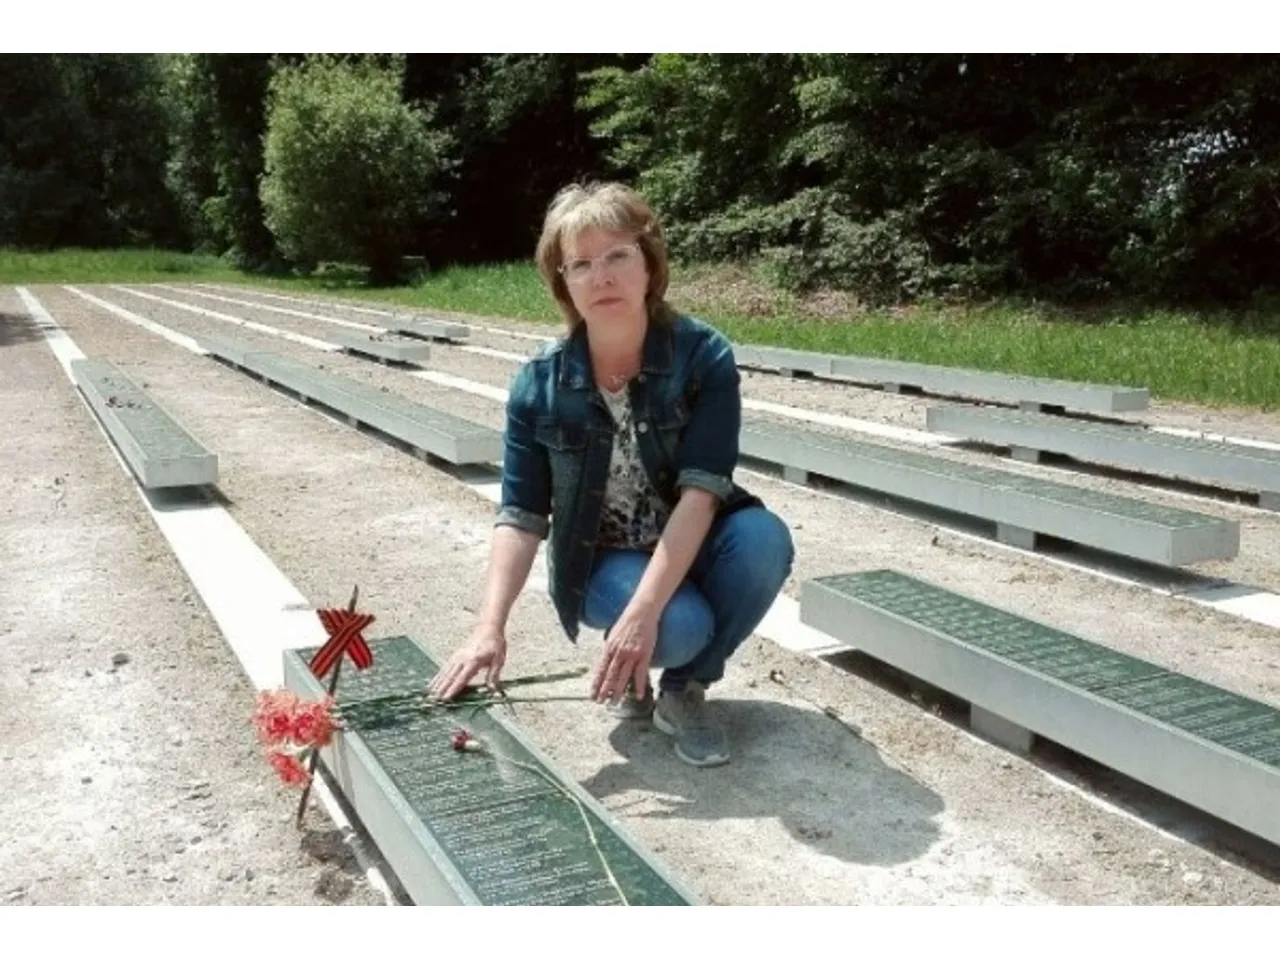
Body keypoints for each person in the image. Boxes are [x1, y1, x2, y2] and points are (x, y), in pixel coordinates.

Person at [427, 181, 794, 767]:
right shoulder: (539, 385)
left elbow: (702, 494)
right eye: (581, 264)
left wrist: (639, 620)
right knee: (682, 626)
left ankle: (683, 690)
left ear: (649, 265)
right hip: (604, 560)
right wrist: (488, 629)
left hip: (692, 534)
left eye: (617, 256)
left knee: (763, 542)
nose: (601, 277)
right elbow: (521, 516)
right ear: (565, 285)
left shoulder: (703, 357)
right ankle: (643, 657)